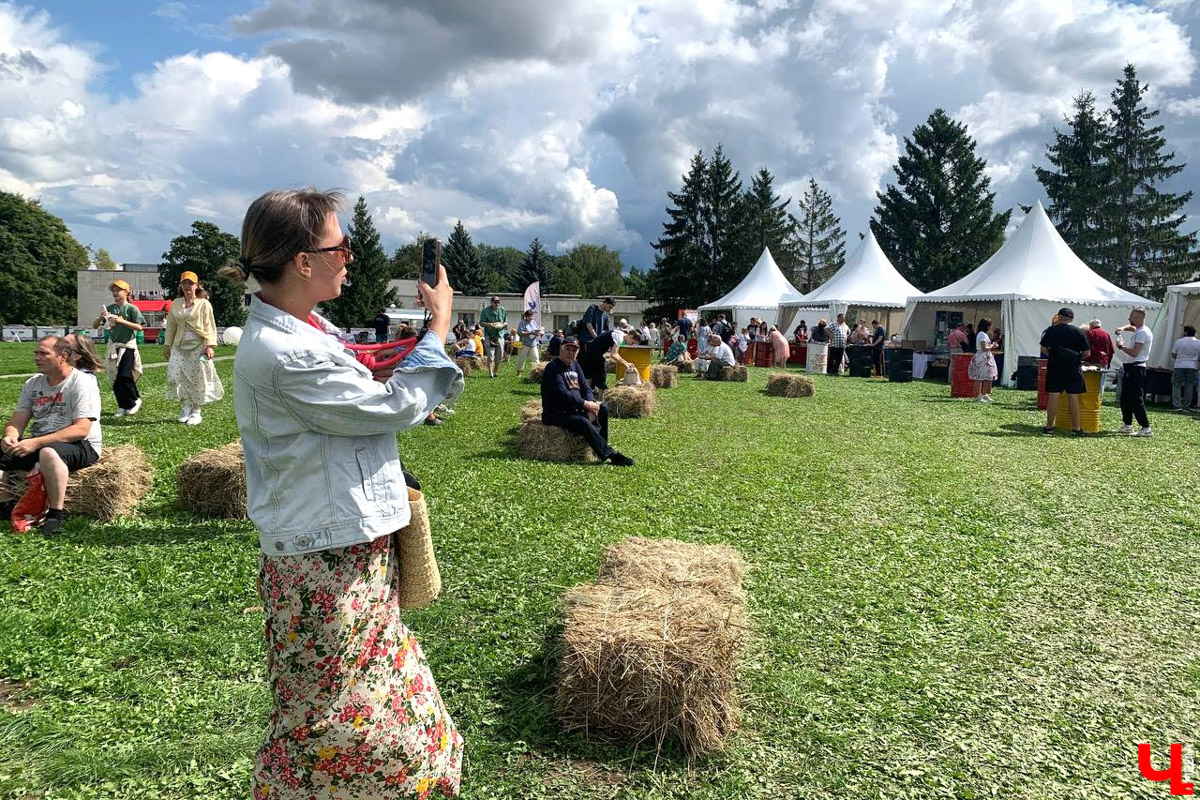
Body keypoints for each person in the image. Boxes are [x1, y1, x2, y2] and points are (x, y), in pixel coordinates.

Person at [221, 189, 463, 798]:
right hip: (322, 567)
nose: (350, 258)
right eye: (341, 246)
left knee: (397, 719)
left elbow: (363, 365)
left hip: (345, 554)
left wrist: (413, 341)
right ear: (304, 260)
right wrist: (438, 326)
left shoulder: (304, 328)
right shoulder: (285, 351)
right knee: (328, 725)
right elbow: (392, 405)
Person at [0, 336, 102, 535]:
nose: (37, 358)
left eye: (43, 353)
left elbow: (81, 429)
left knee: (48, 452)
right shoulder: (33, 384)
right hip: (40, 441)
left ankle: (56, 513)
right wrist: (10, 436)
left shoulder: (81, 383)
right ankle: (5, 505)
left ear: (62, 356)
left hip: (81, 444)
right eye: (36, 353)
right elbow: (17, 421)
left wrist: (35, 442)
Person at [540, 336, 633, 466]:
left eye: (574, 350)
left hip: (574, 409)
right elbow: (562, 394)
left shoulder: (576, 366)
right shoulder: (552, 368)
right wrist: (585, 404)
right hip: (557, 413)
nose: (570, 353)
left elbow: (586, 388)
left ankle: (599, 447)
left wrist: (591, 403)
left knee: (603, 409)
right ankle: (611, 455)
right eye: (567, 349)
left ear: (578, 352)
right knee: (582, 422)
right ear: (561, 349)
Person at [162, 271, 222, 425]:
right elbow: (171, 326)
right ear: (180, 286)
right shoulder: (176, 303)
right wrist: (167, 345)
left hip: (198, 345)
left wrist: (210, 345)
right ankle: (186, 405)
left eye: (190, 283)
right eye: (184, 283)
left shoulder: (204, 304)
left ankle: (196, 410)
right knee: (177, 375)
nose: (187, 286)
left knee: (197, 378)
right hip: (179, 345)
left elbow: (209, 325)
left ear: (197, 285)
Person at [93, 279, 145, 416]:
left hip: (128, 346)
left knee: (124, 374)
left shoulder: (132, 309)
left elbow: (139, 327)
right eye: (113, 290)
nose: (115, 292)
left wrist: (121, 321)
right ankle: (122, 405)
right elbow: (95, 325)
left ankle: (135, 399)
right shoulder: (110, 308)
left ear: (127, 292)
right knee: (114, 377)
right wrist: (101, 317)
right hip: (113, 346)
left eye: (118, 290)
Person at [1039, 307, 1091, 436]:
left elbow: (1043, 348)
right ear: (1071, 319)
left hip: (1055, 367)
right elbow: (1087, 353)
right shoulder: (1079, 331)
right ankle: (1076, 428)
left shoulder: (1052, 331)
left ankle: (1049, 427)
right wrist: (1076, 359)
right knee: (1073, 397)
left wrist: (1052, 355)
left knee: (1054, 396)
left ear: (1059, 317)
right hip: (1072, 368)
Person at [1114, 307, 1154, 436]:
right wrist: (1122, 328)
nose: (1129, 319)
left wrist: (1121, 346)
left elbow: (1135, 353)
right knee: (1125, 397)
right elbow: (1131, 328)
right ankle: (1127, 424)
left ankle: (1145, 427)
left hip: (1136, 368)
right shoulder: (1138, 329)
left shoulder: (1142, 333)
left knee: (1136, 398)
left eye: (1131, 316)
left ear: (1138, 318)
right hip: (1130, 368)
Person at [580, 327, 641, 395]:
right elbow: (614, 355)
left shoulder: (621, 334)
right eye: (632, 342)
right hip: (595, 354)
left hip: (591, 352)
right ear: (630, 336)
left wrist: (627, 363)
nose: (631, 344)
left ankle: (586, 395)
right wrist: (626, 364)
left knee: (589, 375)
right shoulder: (620, 337)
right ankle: (601, 399)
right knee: (601, 376)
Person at [968, 318, 999, 403]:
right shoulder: (982, 334)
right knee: (980, 377)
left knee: (987, 377)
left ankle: (983, 394)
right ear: (987, 326)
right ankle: (977, 396)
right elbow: (983, 348)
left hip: (987, 357)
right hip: (982, 357)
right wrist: (992, 346)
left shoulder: (984, 334)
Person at [1171, 324, 1199, 411]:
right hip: (1193, 366)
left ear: (1185, 332)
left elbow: (1174, 354)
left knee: (1176, 385)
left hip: (1179, 364)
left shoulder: (1179, 341)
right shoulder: (1198, 342)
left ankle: (1177, 405)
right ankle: (1186, 406)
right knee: (1189, 386)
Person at [480, 294, 508, 378]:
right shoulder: (485, 311)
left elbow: (506, 321)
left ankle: (495, 371)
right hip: (489, 335)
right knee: (490, 355)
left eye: (498, 302)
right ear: (491, 302)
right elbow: (481, 323)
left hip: (500, 335)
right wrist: (490, 324)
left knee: (499, 355)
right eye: (495, 302)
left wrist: (504, 325)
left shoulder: (503, 310)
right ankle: (490, 373)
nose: (497, 303)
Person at [514, 309, 543, 378]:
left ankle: (537, 374)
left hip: (533, 344)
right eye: (529, 316)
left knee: (536, 359)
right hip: (524, 344)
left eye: (532, 316)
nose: (531, 318)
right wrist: (530, 332)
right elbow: (520, 333)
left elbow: (536, 330)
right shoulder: (522, 322)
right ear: (526, 316)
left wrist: (538, 333)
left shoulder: (533, 322)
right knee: (522, 359)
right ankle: (519, 373)